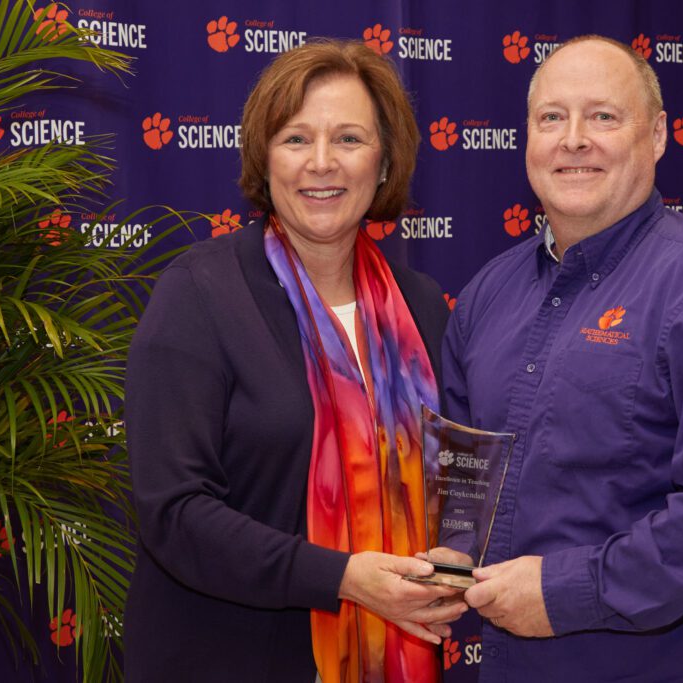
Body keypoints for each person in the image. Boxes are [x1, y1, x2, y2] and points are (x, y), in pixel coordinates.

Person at [439, 35, 683, 681]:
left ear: (658, 135)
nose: (573, 138)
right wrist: (448, 557)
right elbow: (463, 472)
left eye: (603, 116)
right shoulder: (483, 296)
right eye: (551, 117)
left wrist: (568, 590)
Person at [123, 40, 466, 683]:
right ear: (265, 157)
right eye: (295, 138)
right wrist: (342, 579)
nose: (321, 163)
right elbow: (174, 512)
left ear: (386, 163)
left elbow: (454, 483)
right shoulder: (199, 293)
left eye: (349, 139)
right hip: (225, 659)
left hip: (400, 647)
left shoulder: (422, 307)